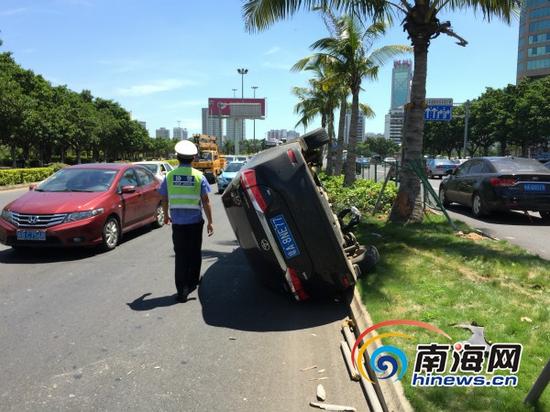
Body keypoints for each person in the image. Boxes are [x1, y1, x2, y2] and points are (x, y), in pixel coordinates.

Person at [159, 140, 214, 303]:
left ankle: (181, 290)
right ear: (193, 158)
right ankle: (192, 283)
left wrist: (166, 215)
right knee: (195, 253)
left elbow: (164, 198)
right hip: (195, 223)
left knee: (181, 255)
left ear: (177, 157)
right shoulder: (199, 176)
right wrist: (210, 222)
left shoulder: (169, 176)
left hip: (178, 224)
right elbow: (206, 201)